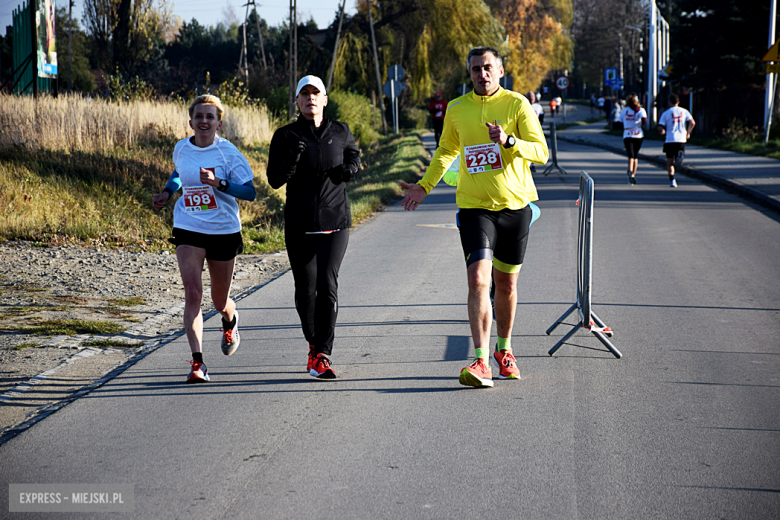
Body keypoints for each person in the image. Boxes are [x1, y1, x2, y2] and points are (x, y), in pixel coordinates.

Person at [400, 47, 548, 388]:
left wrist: (510, 141)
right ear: (469, 73)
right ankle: (481, 360)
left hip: (515, 206)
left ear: (500, 70)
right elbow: (445, 153)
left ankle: (504, 350)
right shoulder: (457, 109)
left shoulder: (516, 104)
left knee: (507, 284)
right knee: (479, 280)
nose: (482, 74)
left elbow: (541, 152)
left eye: (487, 68)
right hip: (475, 208)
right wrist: (423, 186)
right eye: (475, 69)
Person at [152, 95, 256, 383]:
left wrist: (219, 183)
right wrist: (167, 192)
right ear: (191, 121)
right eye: (199, 116)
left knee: (219, 300)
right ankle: (198, 363)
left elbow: (250, 192)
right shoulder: (182, 148)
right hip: (189, 226)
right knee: (193, 293)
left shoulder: (229, 154)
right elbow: (178, 173)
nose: (204, 121)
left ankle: (229, 319)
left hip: (223, 230)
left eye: (210, 117)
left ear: (218, 123)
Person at [267, 75, 361, 379]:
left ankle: (322, 352)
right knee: (305, 290)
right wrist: (292, 159)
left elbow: (355, 157)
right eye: (303, 94)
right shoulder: (285, 135)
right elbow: (274, 179)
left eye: (315, 93)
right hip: (299, 224)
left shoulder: (341, 131)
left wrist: (349, 169)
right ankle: (312, 341)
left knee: (327, 284)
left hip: (335, 221)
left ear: (325, 99)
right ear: (296, 101)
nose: (310, 98)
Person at [657, 93, 695, 188]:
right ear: (678, 102)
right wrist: (688, 132)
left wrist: (662, 131)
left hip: (670, 139)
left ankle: (672, 180)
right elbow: (692, 122)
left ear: (669, 102)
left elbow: (660, 126)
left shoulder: (666, 113)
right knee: (677, 158)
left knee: (669, 162)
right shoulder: (684, 111)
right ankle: (679, 157)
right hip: (681, 138)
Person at [619, 93, 648, 185]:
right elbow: (644, 121)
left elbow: (619, 122)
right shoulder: (641, 110)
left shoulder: (624, 110)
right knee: (635, 156)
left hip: (627, 134)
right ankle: (633, 174)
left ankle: (630, 172)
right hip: (638, 134)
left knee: (630, 155)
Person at [525, 91, 544, 173]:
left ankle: (532, 164)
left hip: (535, 129)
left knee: (534, 146)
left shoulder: (538, 107)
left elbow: (542, 116)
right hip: (525, 129)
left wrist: (540, 125)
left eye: (532, 96)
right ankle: (528, 165)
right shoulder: (523, 105)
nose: (531, 98)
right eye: (529, 96)